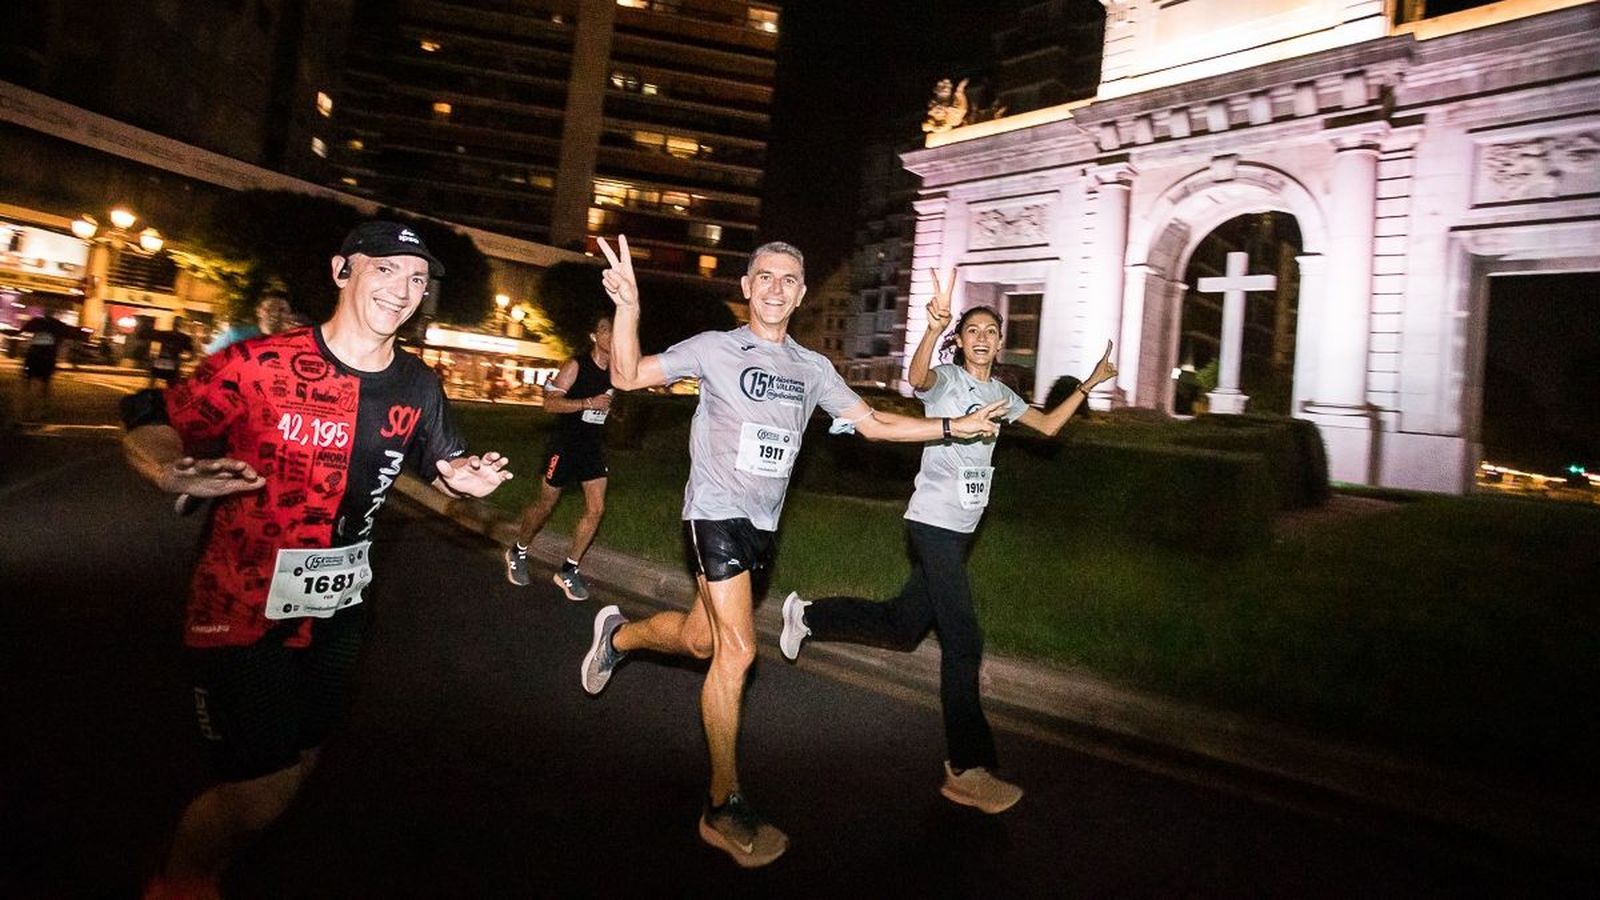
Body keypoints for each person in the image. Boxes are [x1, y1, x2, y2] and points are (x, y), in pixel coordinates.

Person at [584, 236, 1007, 868]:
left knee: (702, 642)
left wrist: (952, 427)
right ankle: (722, 805)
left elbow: (877, 424)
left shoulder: (813, 369)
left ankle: (617, 638)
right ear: (747, 287)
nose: (776, 287)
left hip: (762, 528)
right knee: (738, 650)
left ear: (801, 294)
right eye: (765, 277)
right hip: (713, 513)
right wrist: (628, 307)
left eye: (789, 279)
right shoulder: (714, 348)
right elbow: (626, 374)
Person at [122, 221, 512, 898]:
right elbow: (154, 418)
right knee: (261, 788)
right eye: (386, 270)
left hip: (341, 608)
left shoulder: (418, 384)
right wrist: (168, 473)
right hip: (241, 603)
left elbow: (443, 463)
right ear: (342, 271)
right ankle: (180, 877)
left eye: (417, 279)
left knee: (302, 756)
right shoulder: (260, 363)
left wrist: (464, 478)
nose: (404, 289)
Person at [778, 269, 1117, 814]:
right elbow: (916, 378)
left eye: (990, 331)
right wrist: (933, 329)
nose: (981, 338)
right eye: (973, 330)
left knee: (903, 625)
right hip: (931, 522)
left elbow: (1050, 426)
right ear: (963, 341)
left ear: (1001, 342)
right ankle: (966, 766)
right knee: (964, 642)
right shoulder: (948, 380)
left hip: (961, 530)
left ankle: (810, 616)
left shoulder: (1002, 393)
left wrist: (1088, 383)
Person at [504, 313, 615, 600]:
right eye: (606, 330)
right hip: (564, 446)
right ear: (594, 336)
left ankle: (569, 568)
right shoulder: (576, 365)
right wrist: (587, 403)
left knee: (596, 509)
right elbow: (549, 404)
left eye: (616, 331)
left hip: (591, 446)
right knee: (545, 505)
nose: (613, 335)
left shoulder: (616, 371)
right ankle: (517, 550)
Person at [17, 309, 80, 420]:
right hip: (48, 358)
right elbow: (72, 334)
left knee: (29, 382)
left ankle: (26, 410)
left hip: (33, 356)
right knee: (45, 384)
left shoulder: (37, 323)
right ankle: (40, 410)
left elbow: (21, 331)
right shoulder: (57, 326)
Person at [204, 293, 292, 354]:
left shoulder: (293, 342)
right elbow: (211, 353)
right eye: (269, 309)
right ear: (259, 311)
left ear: (289, 314)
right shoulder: (236, 334)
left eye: (281, 310)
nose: (274, 314)